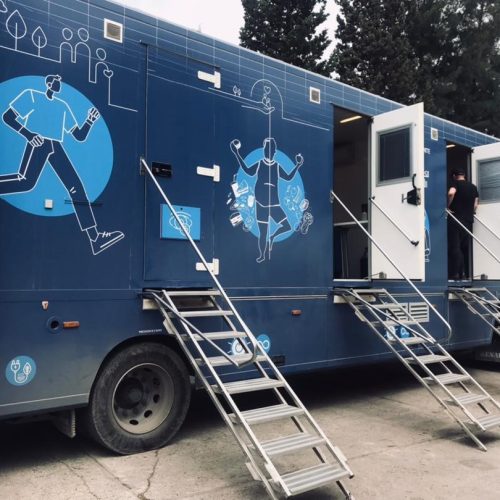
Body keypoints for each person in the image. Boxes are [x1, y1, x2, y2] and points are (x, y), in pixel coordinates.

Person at [1, 74, 123, 255]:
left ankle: (95, 238)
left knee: (76, 187)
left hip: (55, 145)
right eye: (56, 81)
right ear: (49, 83)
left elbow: (79, 135)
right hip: (38, 142)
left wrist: (89, 120)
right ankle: (95, 237)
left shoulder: (63, 106)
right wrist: (28, 134)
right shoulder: (32, 95)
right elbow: (8, 117)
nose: (59, 84)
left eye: (59, 81)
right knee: (26, 182)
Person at [230, 137, 303, 263]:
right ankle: (262, 255)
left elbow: (288, 177)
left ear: (274, 151)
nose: (267, 151)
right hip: (261, 205)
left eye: (270, 149)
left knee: (287, 226)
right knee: (262, 233)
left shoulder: (277, 166)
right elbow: (247, 170)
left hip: (274, 205)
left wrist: (298, 165)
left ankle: (273, 236)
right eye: (266, 149)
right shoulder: (259, 164)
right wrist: (236, 153)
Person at [447, 168, 478, 280]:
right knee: (464, 248)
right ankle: (464, 274)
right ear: (464, 175)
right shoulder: (473, 187)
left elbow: (451, 193)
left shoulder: (455, 183)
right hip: (468, 221)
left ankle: (455, 274)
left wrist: (448, 206)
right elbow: (475, 204)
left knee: (455, 247)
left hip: (456, 219)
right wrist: (471, 212)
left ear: (454, 176)